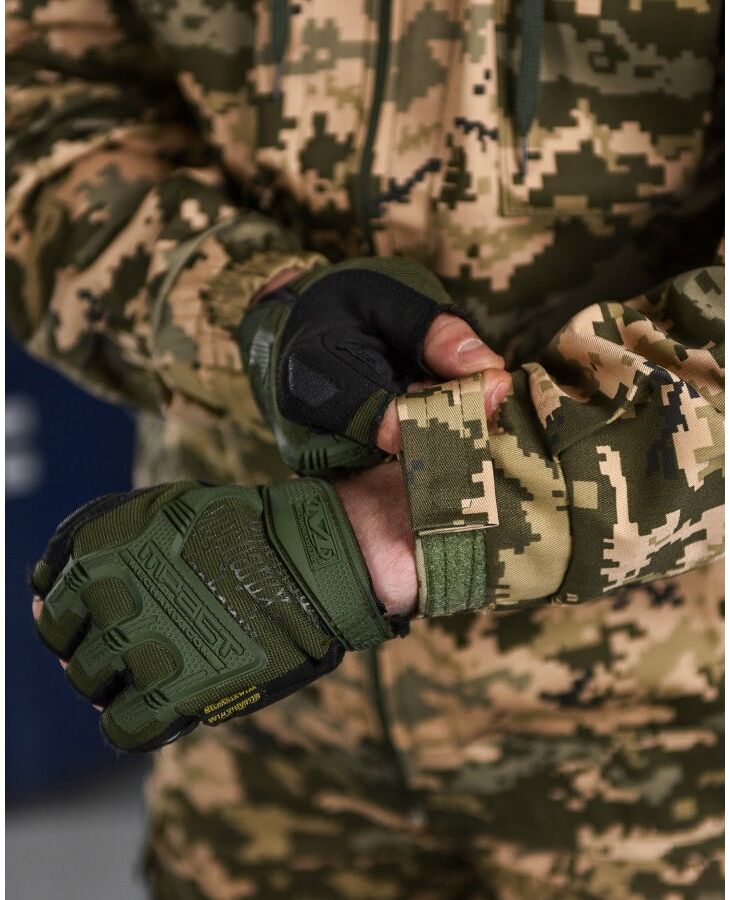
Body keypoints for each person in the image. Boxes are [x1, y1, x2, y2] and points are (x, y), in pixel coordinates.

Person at [7, 0, 724, 896]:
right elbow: (38, 104)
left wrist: (387, 532)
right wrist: (256, 319)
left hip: (669, 751)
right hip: (265, 738)